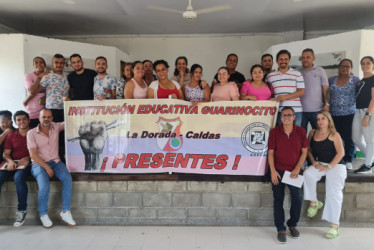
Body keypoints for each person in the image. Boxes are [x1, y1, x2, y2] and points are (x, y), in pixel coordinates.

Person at [27, 109, 75, 228]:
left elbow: (72, 119)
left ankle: (65, 212)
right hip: (39, 164)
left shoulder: (56, 127)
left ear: (52, 118)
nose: (46, 119)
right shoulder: (31, 133)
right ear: (39, 118)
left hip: (56, 162)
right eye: (44, 117)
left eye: (49, 117)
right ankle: (43, 214)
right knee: (44, 186)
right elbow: (33, 155)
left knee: (67, 179)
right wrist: (47, 167)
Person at [268, 107, 308, 244]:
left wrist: (298, 167)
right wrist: (272, 171)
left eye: (289, 115)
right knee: (278, 199)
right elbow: (271, 153)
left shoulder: (301, 132)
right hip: (278, 170)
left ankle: (292, 225)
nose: (286, 118)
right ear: (281, 117)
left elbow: (304, 152)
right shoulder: (274, 132)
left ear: (294, 117)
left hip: (294, 171)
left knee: (297, 198)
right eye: (284, 115)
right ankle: (280, 229)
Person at [303, 111, 346, 239]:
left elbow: (341, 154)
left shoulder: (334, 134)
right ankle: (314, 202)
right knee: (307, 174)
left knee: (334, 192)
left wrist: (328, 166)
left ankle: (334, 226)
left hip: (336, 165)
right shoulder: (312, 133)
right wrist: (314, 162)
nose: (320, 121)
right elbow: (308, 149)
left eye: (323, 118)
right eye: (318, 119)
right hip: (320, 163)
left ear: (329, 120)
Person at [0, 111, 32, 227]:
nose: (21, 122)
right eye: (18, 120)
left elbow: (41, 151)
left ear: (28, 120)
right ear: (15, 122)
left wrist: (28, 157)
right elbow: (6, 154)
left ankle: (21, 211)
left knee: (18, 178)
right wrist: (10, 161)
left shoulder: (34, 132)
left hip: (29, 163)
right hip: (13, 163)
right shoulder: (11, 135)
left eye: (24, 119)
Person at [328, 59, 360, 170]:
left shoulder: (355, 80)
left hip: (349, 114)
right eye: (342, 66)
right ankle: (336, 158)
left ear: (351, 68)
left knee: (348, 138)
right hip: (333, 114)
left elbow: (361, 94)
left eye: (348, 66)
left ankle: (348, 159)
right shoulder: (332, 80)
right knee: (334, 137)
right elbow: (327, 93)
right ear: (339, 68)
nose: (345, 68)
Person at [266, 50, 305, 126]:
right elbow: (268, 93)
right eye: (281, 59)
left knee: (296, 135)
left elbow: (301, 92)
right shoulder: (270, 76)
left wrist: (285, 97)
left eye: (286, 59)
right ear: (277, 61)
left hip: (295, 111)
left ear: (289, 60)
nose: (283, 61)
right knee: (280, 135)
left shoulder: (297, 74)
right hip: (278, 110)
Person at [29, 54, 69, 123]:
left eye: (61, 63)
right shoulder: (47, 75)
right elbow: (33, 91)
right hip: (51, 110)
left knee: (64, 132)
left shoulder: (67, 76)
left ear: (64, 64)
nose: (59, 65)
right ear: (52, 64)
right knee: (52, 132)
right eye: (56, 62)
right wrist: (39, 78)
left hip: (65, 109)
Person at [297, 48, 329, 131]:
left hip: (317, 110)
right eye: (303, 58)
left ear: (313, 58)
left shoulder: (320, 71)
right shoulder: (297, 72)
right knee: (301, 136)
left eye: (308, 57)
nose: (305, 60)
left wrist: (327, 104)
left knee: (319, 134)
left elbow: (326, 89)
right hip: (300, 111)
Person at [353, 56, 374, 174]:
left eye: (368, 63)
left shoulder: (373, 78)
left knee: (369, 139)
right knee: (356, 138)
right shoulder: (361, 81)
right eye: (363, 63)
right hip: (357, 110)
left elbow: (373, 99)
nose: (365, 65)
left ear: (373, 65)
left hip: (368, 111)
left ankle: (367, 165)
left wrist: (367, 115)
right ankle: (370, 159)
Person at [23, 57, 47, 128]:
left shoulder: (48, 77)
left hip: (45, 113)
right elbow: (31, 91)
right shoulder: (28, 76)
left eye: (41, 62)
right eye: (36, 62)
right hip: (32, 113)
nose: (39, 64)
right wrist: (39, 78)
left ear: (45, 65)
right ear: (33, 66)